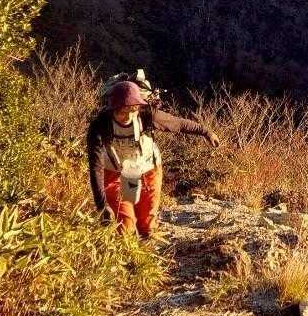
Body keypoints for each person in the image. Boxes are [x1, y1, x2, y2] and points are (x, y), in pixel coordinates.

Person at [87, 80, 220, 237]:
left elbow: (178, 124)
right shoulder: (100, 125)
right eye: (122, 112)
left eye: (132, 110)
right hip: (115, 174)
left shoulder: (148, 115)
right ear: (113, 109)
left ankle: (146, 246)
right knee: (124, 226)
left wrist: (206, 132)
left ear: (138, 107)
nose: (127, 116)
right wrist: (102, 205)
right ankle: (127, 247)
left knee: (147, 226)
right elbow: (96, 167)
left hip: (148, 170)